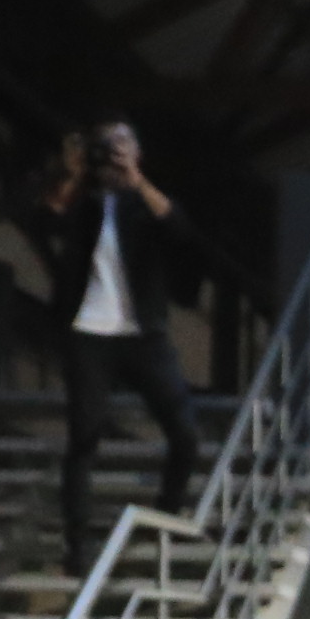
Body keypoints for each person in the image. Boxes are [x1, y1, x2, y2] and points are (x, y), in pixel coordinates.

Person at [43, 117, 207, 572]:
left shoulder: (145, 203)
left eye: (121, 147)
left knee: (186, 434)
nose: (112, 157)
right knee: (84, 437)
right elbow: (48, 219)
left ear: (137, 154)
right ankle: (77, 546)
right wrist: (73, 174)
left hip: (143, 336)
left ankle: (167, 516)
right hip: (89, 334)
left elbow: (181, 232)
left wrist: (136, 181)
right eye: (106, 148)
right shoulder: (83, 201)